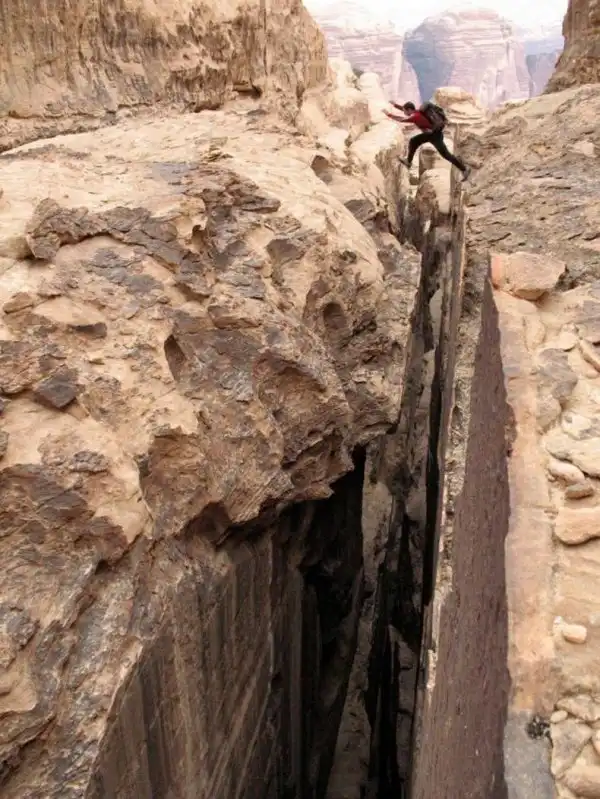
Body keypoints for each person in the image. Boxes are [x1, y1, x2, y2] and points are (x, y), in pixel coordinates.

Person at [384, 101, 471, 181]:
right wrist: (395, 105)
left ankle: (464, 169)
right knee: (414, 141)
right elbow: (404, 109)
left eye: (404, 111)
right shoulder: (417, 112)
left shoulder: (415, 116)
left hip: (435, 136)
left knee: (446, 155)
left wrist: (388, 114)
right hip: (430, 135)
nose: (403, 112)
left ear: (409, 110)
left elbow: (401, 119)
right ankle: (408, 162)